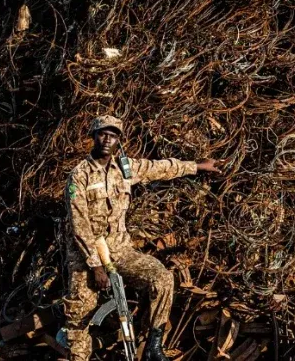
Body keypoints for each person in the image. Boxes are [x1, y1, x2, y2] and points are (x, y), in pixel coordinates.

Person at [63, 115, 220, 361]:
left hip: (120, 251)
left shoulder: (125, 168)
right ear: (93, 136)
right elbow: (78, 223)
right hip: (86, 258)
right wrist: (95, 265)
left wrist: (197, 166)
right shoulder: (79, 175)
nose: (107, 140)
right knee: (80, 317)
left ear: (118, 140)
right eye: (102, 133)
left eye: (113, 135)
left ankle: (152, 347)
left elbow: (159, 168)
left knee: (162, 278)